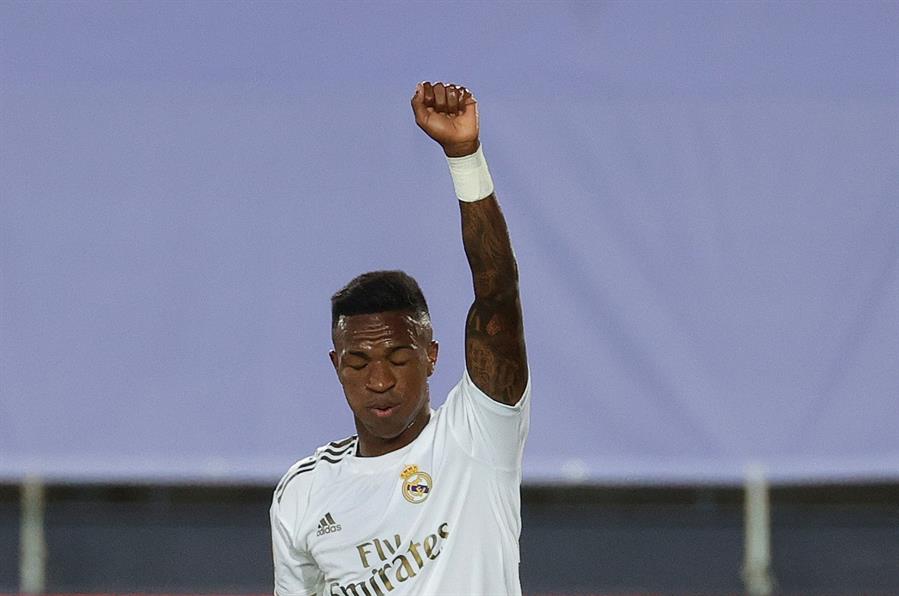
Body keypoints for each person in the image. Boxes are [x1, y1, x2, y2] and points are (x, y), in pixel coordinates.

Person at [270, 81, 530, 596]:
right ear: (335, 365)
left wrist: (465, 158)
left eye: (397, 357)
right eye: (358, 362)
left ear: (431, 356)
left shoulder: (476, 436)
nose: (379, 380)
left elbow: (497, 296)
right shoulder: (303, 494)